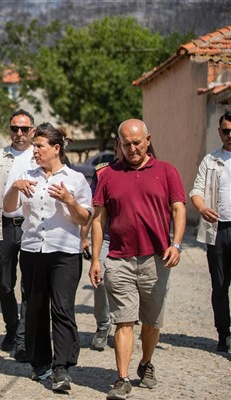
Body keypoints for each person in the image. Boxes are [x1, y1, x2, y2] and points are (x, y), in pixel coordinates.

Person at [89, 119, 186, 400]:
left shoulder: (167, 171)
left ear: (147, 140)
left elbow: (178, 209)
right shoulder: (108, 175)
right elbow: (98, 220)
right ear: (119, 144)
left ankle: (145, 362)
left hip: (156, 258)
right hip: (119, 259)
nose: (132, 149)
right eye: (126, 144)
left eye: (137, 143)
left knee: (152, 321)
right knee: (124, 321)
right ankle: (122, 379)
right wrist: (95, 259)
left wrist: (176, 244)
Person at [3, 125, 92, 392]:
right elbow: (8, 209)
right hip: (33, 251)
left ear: (56, 148)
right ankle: (40, 363)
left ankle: (62, 367)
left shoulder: (75, 179)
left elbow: (84, 219)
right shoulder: (26, 176)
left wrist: (69, 200)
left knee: (62, 308)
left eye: (40, 146)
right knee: (36, 309)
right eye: (34, 146)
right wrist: (14, 187)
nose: (35, 151)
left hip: (65, 253)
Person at [0, 109, 37, 361]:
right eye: (15, 128)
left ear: (32, 131)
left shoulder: (39, 156)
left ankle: (23, 338)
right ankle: (12, 327)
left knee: (29, 285)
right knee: (5, 283)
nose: (19, 133)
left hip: (30, 226)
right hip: (3, 225)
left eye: (24, 129)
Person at [189, 110, 231, 353]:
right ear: (220, 132)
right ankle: (224, 334)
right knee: (220, 286)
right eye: (226, 131)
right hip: (218, 231)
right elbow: (196, 191)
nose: (230, 135)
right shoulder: (210, 160)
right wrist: (202, 208)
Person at [80, 137, 122, 350]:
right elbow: (93, 207)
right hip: (105, 236)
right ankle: (103, 325)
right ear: (116, 147)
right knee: (101, 280)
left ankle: (124, 326)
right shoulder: (102, 171)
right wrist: (84, 237)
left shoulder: (145, 171)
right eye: (122, 145)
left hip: (132, 240)